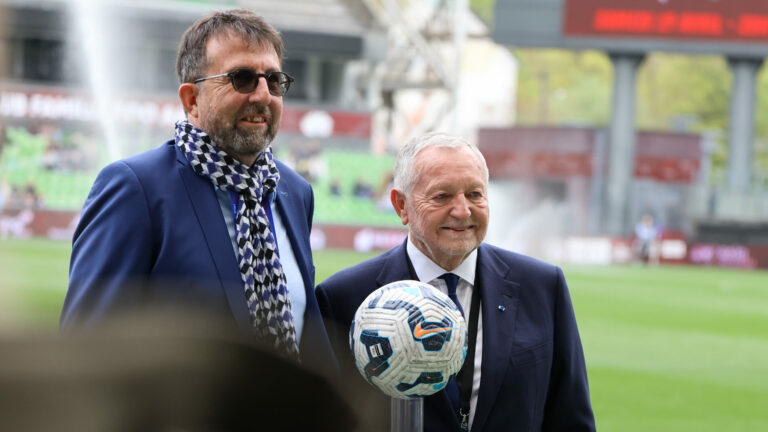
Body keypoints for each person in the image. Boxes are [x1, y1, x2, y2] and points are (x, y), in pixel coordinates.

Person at [60, 9, 336, 372]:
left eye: (274, 80)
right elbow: (85, 348)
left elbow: (308, 337)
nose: (263, 95)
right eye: (242, 78)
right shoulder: (135, 189)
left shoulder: (294, 193)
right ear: (191, 99)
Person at [316, 132, 595, 431]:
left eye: (475, 194)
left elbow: (571, 418)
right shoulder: (342, 299)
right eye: (442, 196)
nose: (463, 211)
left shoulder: (542, 287)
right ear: (401, 206)